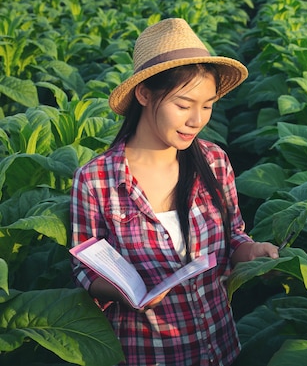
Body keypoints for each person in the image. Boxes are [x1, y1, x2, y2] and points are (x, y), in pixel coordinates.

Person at [70, 18, 279, 366]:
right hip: (145, 352)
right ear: (144, 94)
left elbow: (233, 238)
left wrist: (254, 253)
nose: (197, 119)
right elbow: (84, 270)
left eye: (208, 105)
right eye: (183, 105)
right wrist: (122, 291)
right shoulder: (95, 179)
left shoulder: (214, 162)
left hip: (219, 348)